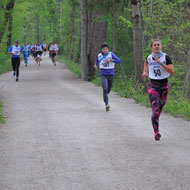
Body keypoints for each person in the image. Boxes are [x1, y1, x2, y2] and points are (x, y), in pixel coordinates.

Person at [142, 39, 174, 141]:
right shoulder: (149, 57)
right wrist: (144, 72)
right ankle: (156, 132)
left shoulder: (166, 57)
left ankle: (155, 119)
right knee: (155, 110)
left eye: (158, 45)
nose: (156, 46)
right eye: (154, 45)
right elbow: (146, 62)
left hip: (164, 86)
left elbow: (171, 71)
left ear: (161, 47)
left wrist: (160, 63)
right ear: (151, 47)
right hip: (153, 86)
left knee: (159, 109)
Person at [94, 42, 121, 111]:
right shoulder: (99, 55)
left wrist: (111, 60)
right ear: (101, 50)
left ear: (108, 49)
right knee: (105, 88)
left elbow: (119, 61)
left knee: (108, 90)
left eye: (106, 49)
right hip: (103, 74)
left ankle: (105, 96)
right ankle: (107, 104)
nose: (104, 50)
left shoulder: (111, 54)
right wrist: (95, 64)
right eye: (103, 49)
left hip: (110, 74)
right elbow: (97, 60)